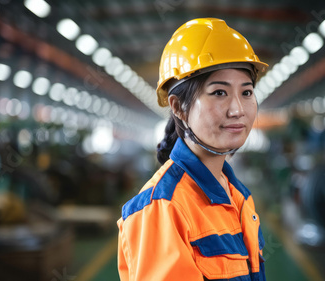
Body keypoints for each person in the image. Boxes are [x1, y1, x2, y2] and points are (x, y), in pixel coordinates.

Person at [117, 18, 268, 281]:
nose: (238, 110)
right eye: (219, 93)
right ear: (178, 107)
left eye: (246, 92)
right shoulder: (163, 208)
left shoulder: (237, 196)